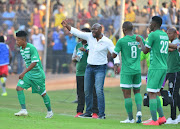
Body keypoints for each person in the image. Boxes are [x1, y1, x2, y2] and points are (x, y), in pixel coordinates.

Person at [61, 20, 120, 119]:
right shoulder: (89, 36)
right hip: (89, 67)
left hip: (100, 68)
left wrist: (116, 63)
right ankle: (88, 112)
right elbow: (77, 32)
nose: (93, 31)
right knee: (87, 90)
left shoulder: (107, 41)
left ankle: (101, 114)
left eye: (95, 30)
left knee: (98, 90)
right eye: (92, 29)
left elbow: (114, 52)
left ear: (100, 30)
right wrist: (67, 26)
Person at [137, 16, 168, 125]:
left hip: (155, 67)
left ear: (154, 24)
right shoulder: (164, 35)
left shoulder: (153, 34)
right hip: (164, 67)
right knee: (157, 92)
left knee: (151, 93)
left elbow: (145, 51)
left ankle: (154, 120)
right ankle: (162, 118)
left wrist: (140, 41)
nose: (149, 25)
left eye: (150, 23)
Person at [14, 31, 53, 118]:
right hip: (29, 74)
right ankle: (23, 110)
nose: (16, 42)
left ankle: (50, 112)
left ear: (23, 40)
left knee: (43, 93)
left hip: (38, 75)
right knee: (19, 88)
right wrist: (25, 73)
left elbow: (34, 63)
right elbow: (28, 63)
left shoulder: (31, 48)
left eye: (18, 40)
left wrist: (23, 72)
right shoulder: (21, 48)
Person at [112, 21, 144, 123]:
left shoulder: (122, 41)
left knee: (127, 95)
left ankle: (130, 118)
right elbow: (145, 49)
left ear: (124, 30)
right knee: (137, 91)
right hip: (137, 70)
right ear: (132, 29)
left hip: (126, 71)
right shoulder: (139, 38)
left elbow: (114, 55)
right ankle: (139, 112)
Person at [72, 28, 98, 118]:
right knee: (80, 93)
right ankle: (79, 111)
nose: (81, 35)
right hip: (79, 72)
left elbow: (95, 54)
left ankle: (95, 112)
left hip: (90, 72)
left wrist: (85, 51)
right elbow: (73, 58)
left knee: (92, 92)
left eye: (83, 34)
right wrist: (75, 58)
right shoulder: (77, 45)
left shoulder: (91, 44)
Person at [164, 28, 180, 124]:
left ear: (175, 33)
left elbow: (174, 48)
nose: (168, 35)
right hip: (170, 71)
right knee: (176, 94)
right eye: (167, 33)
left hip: (175, 71)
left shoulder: (177, 42)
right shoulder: (173, 42)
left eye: (169, 33)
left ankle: (173, 118)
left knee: (172, 94)